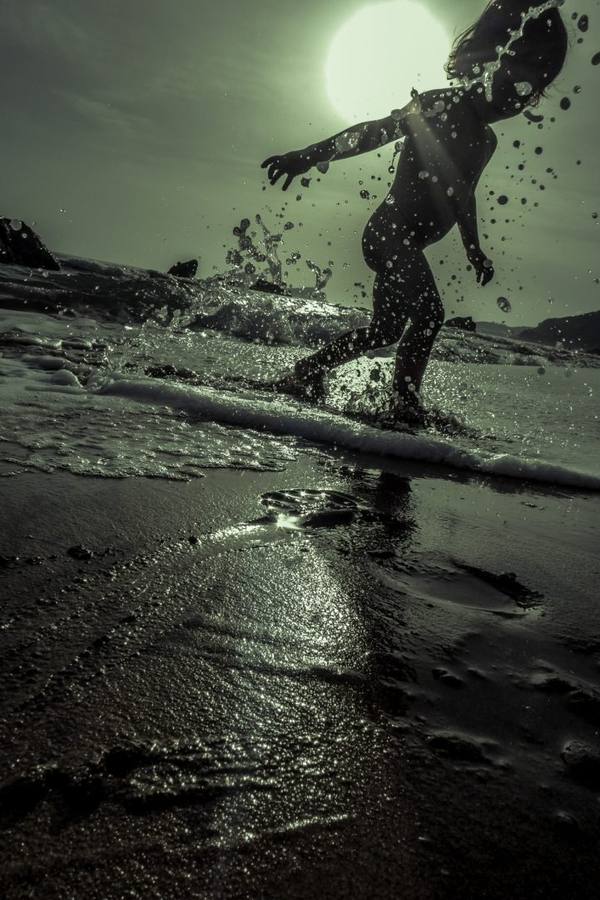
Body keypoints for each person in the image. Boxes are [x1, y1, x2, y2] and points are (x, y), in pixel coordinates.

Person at [261, 0, 568, 421]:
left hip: (408, 244)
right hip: (389, 233)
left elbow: (464, 195)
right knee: (430, 315)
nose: (515, 104)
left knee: (385, 330)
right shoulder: (439, 105)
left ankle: (306, 372)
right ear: (489, 63)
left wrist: (473, 248)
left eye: (526, 97)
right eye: (515, 88)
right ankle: (404, 405)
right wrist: (308, 156)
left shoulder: (486, 141)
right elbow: (372, 133)